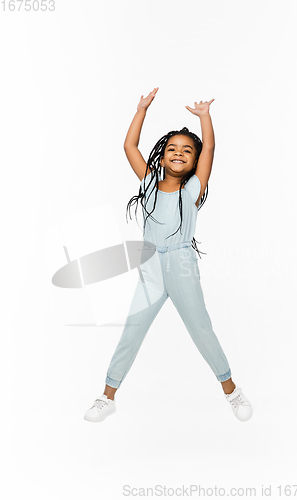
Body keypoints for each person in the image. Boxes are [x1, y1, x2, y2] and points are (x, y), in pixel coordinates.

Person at [84, 88, 253, 423]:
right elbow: (129, 147)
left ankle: (232, 391)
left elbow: (211, 150)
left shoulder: (192, 190)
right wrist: (141, 110)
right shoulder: (148, 183)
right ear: (161, 158)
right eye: (173, 149)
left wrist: (205, 117)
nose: (179, 153)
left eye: (187, 151)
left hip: (181, 264)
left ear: (193, 162)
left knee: (201, 329)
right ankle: (108, 396)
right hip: (150, 266)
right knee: (132, 330)